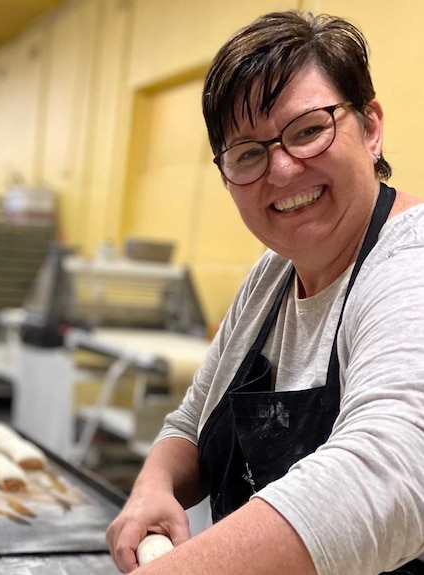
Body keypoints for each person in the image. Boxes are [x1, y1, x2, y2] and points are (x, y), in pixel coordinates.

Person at [106, 11, 424, 575]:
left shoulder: (409, 266)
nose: (280, 169)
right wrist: (154, 484)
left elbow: (393, 473)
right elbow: (189, 425)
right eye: (248, 153)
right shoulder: (271, 279)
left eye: (307, 129)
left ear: (370, 127)